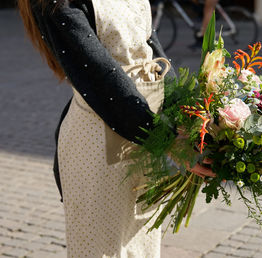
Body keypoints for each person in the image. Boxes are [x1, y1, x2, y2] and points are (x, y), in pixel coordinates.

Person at [18, 0, 214, 257]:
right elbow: (101, 79)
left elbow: (153, 52)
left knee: (141, 246)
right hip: (99, 143)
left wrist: (190, 119)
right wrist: (168, 143)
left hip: (145, 130)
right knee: (102, 248)